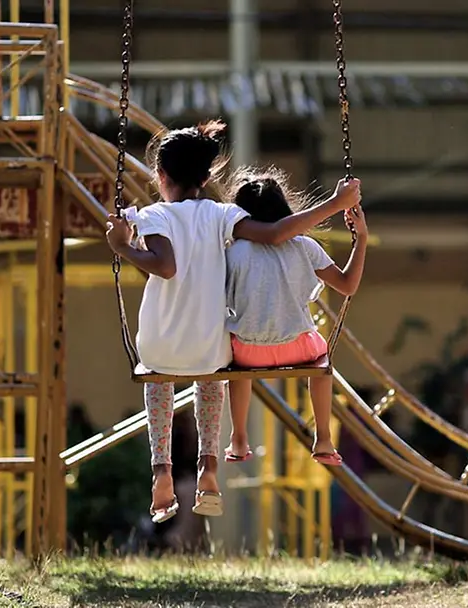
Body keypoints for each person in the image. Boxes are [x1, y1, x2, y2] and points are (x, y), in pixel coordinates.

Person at [105, 120, 361, 523]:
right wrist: (333, 204)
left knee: (157, 383)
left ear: (160, 175)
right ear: (207, 178)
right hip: (209, 348)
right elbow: (277, 234)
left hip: (158, 347)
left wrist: (123, 248)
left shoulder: (153, 215)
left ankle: (163, 470)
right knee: (215, 376)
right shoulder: (222, 214)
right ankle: (208, 468)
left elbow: (165, 266)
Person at [222, 166, 368, 466]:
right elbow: (348, 285)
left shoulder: (232, 253)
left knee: (232, 365)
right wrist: (361, 239)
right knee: (322, 361)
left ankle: (238, 437)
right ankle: (324, 438)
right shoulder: (304, 246)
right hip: (298, 349)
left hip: (248, 354)